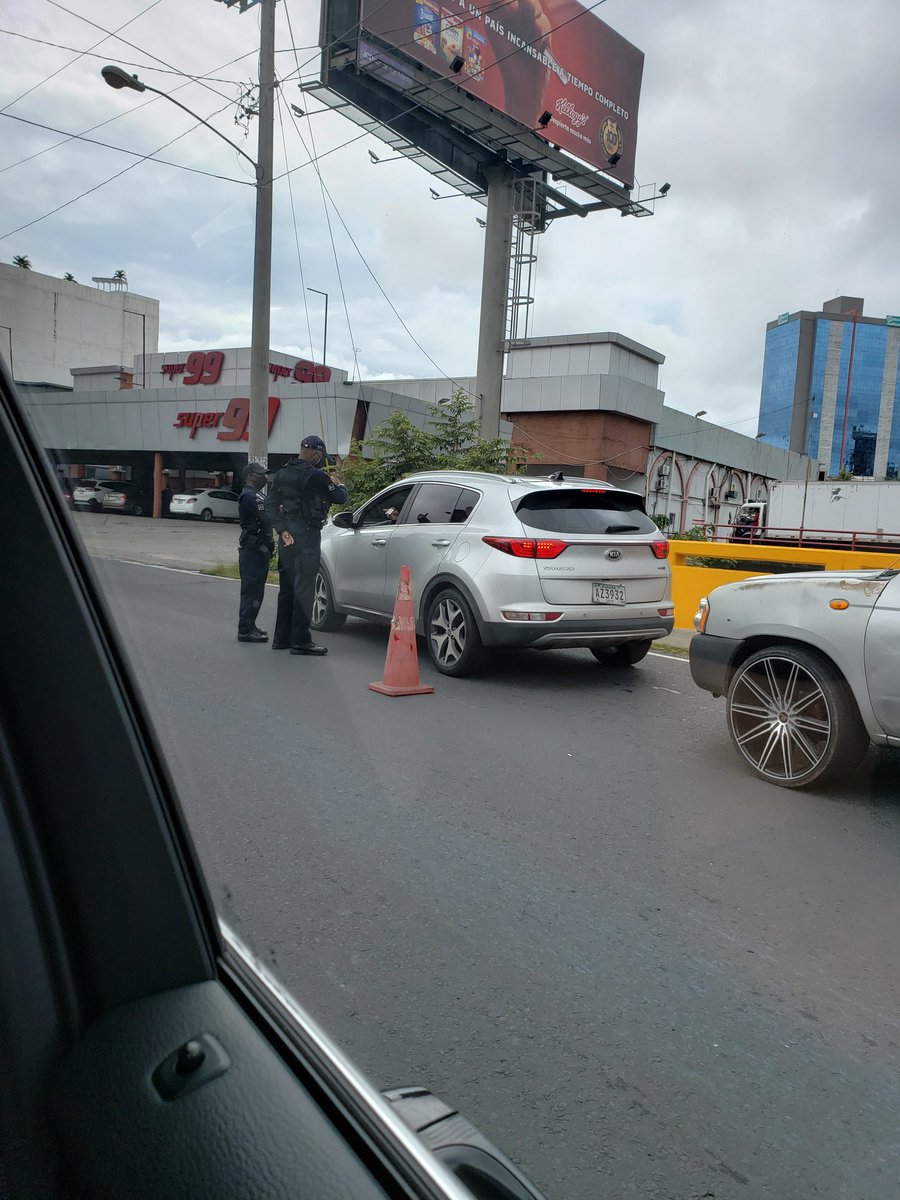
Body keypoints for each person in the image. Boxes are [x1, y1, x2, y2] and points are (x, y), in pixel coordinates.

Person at [266, 435, 347, 656]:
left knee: (287, 588)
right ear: (315, 454)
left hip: (287, 537)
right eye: (320, 456)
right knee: (304, 590)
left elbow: (270, 505)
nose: (321, 459)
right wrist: (340, 485)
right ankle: (301, 641)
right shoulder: (315, 475)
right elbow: (340, 498)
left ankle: (281, 638)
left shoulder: (282, 473)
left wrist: (281, 529)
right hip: (307, 536)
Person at [236, 462, 273, 643]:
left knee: (257, 590)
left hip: (259, 549)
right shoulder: (249, 496)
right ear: (250, 475)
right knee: (251, 591)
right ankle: (245, 629)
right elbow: (266, 518)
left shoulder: (258, 495)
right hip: (252, 549)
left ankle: (250, 625)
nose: (264, 478)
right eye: (261, 474)